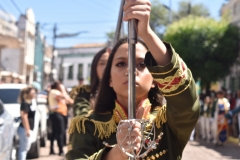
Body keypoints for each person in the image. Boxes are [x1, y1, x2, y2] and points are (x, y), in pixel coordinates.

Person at [66, 1, 200, 159]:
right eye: (121, 64)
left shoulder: (168, 122)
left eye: (142, 64)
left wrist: (147, 33)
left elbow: (186, 98)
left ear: (155, 80)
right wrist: (116, 154)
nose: (130, 69)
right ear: (109, 79)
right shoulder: (88, 126)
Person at [70, 47, 110, 117]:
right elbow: (81, 118)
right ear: (94, 67)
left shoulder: (123, 92)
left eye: (110, 63)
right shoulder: (84, 93)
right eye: (102, 63)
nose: (106, 67)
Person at [48, 81, 73, 156]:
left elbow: (68, 102)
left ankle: (52, 149)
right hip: (56, 114)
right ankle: (61, 150)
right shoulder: (54, 91)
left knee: (55, 132)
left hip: (59, 114)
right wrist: (63, 90)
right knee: (60, 132)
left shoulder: (56, 92)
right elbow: (68, 99)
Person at [17, 87, 36, 160]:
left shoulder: (30, 102)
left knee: (26, 148)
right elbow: (24, 117)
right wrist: (27, 130)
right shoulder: (25, 103)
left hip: (28, 128)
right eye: (33, 93)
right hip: (24, 129)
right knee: (23, 149)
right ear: (28, 94)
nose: (34, 94)